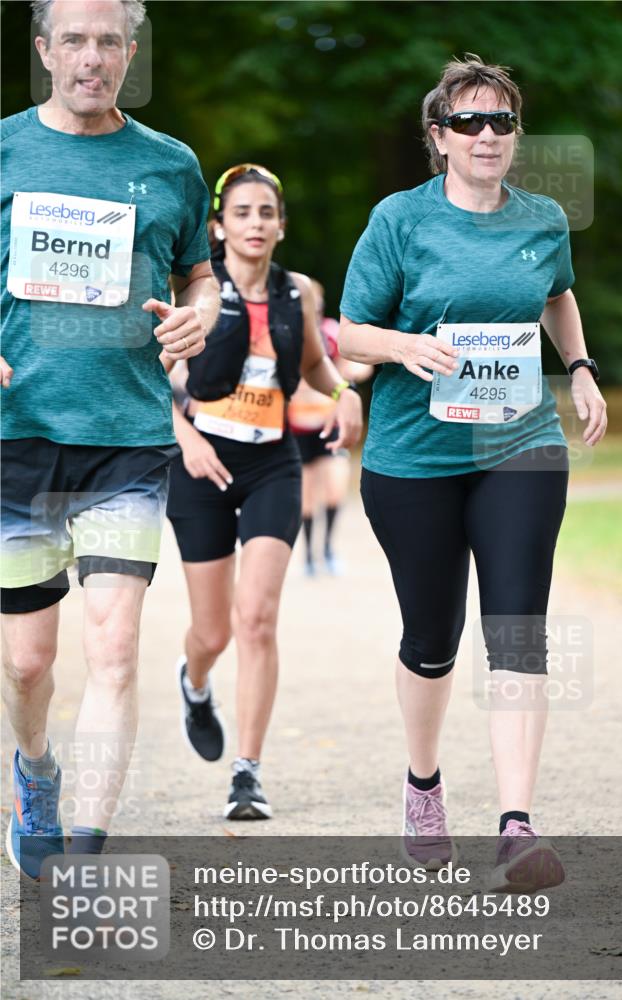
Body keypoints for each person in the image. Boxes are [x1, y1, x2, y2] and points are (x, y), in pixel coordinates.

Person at [338, 54, 607, 884]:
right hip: (412, 457)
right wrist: (403, 345)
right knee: (431, 639)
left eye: (500, 121)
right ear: (439, 137)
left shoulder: (543, 220)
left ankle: (516, 825)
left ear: (514, 135)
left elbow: (558, 294)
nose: (485, 135)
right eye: (467, 122)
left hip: (519, 446)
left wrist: (583, 366)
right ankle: (423, 786)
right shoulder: (399, 221)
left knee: (518, 632)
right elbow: (346, 333)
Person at [0, 0, 219, 879]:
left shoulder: (170, 165)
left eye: (109, 42)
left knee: (116, 645)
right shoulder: (7, 148)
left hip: (126, 440)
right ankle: (36, 771)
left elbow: (199, 276)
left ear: (130, 52)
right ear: (46, 49)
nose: (92, 58)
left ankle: (83, 860)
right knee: (26, 664)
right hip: (19, 436)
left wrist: (200, 319)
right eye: (75, 41)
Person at [166, 164, 362, 820]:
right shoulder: (195, 292)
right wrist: (185, 439)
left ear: (280, 225)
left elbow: (310, 362)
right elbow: (143, 377)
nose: (255, 224)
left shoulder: (296, 291)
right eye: (242, 213)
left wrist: (342, 392)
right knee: (214, 630)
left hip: (272, 463)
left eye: (266, 213)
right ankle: (194, 683)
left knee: (257, 617)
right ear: (217, 225)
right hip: (201, 466)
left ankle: (246, 773)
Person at [287, 281, 373, 575]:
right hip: (298, 427)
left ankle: (327, 548)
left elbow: (362, 363)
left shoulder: (330, 332)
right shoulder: (286, 332)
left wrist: (348, 375)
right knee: (307, 497)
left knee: (335, 490)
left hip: (330, 423)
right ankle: (310, 556)